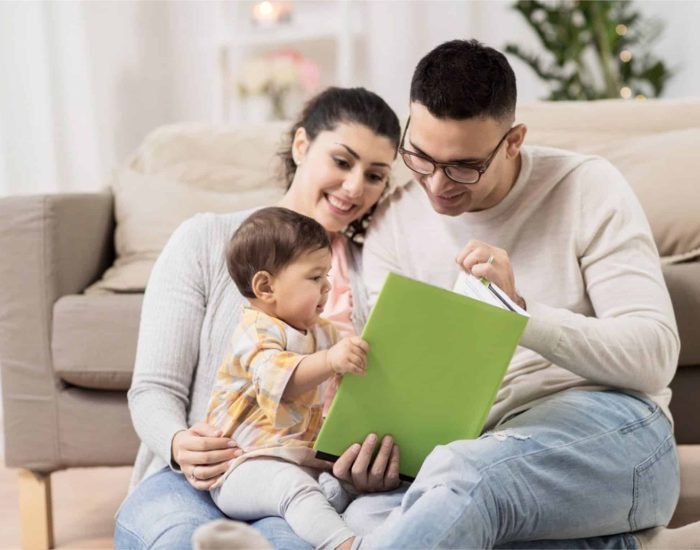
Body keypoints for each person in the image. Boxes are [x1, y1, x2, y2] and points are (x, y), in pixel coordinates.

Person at [341, 39, 691, 548]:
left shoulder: (586, 187)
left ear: (513, 140)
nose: (437, 185)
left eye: (463, 166)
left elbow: (655, 356)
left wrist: (518, 313)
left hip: (613, 428)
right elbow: (406, 393)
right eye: (419, 157)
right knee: (367, 515)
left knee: (468, 479)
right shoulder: (393, 222)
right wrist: (383, 461)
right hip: (474, 447)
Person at [113, 87, 403, 549]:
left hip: (306, 484)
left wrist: (366, 465)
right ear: (302, 146)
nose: (354, 187)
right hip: (194, 477)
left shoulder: (379, 272)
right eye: (343, 162)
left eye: (375, 175)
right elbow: (153, 388)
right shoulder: (206, 239)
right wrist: (178, 443)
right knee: (177, 540)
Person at [205, 206, 368, 550]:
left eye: (327, 275)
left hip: (298, 457)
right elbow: (279, 378)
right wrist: (332, 360)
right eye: (314, 277)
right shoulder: (256, 330)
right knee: (293, 487)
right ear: (265, 287)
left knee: (340, 486)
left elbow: (344, 384)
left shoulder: (322, 332)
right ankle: (346, 545)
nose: (328, 286)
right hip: (240, 466)